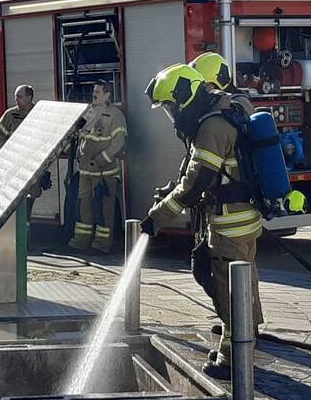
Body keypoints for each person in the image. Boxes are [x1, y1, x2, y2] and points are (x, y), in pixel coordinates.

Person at [140, 64, 264, 380]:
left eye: (170, 106)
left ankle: (235, 361)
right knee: (243, 284)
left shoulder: (211, 128)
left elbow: (197, 184)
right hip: (245, 217)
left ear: (185, 98)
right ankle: (233, 345)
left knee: (228, 291)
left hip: (227, 223)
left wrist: (157, 218)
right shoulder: (229, 106)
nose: (170, 114)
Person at [69, 80, 127, 254]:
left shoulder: (116, 115)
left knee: (104, 208)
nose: (94, 94)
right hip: (86, 170)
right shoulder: (89, 112)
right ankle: (81, 240)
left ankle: (102, 244)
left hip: (105, 172)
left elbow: (120, 141)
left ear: (107, 95)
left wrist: (103, 159)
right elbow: (78, 133)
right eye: (93, 91)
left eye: (98, 92)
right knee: (83, 205)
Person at [0, 85, 50, 209]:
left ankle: (26, 224)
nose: (16, 99)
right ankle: (19, 224)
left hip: (33, 165)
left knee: (31, 196)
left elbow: (48, 140)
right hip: (13, 166)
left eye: (19, 96)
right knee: (13, 197)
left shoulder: (41, 114)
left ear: (29, 98)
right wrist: (7, 154)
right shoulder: (10, 115)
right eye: (15, 97)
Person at [189, 52, 254, 116]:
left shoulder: (239, 105)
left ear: (218, 81)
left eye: (203, 85)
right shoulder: (207, 105)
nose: (196, 90)